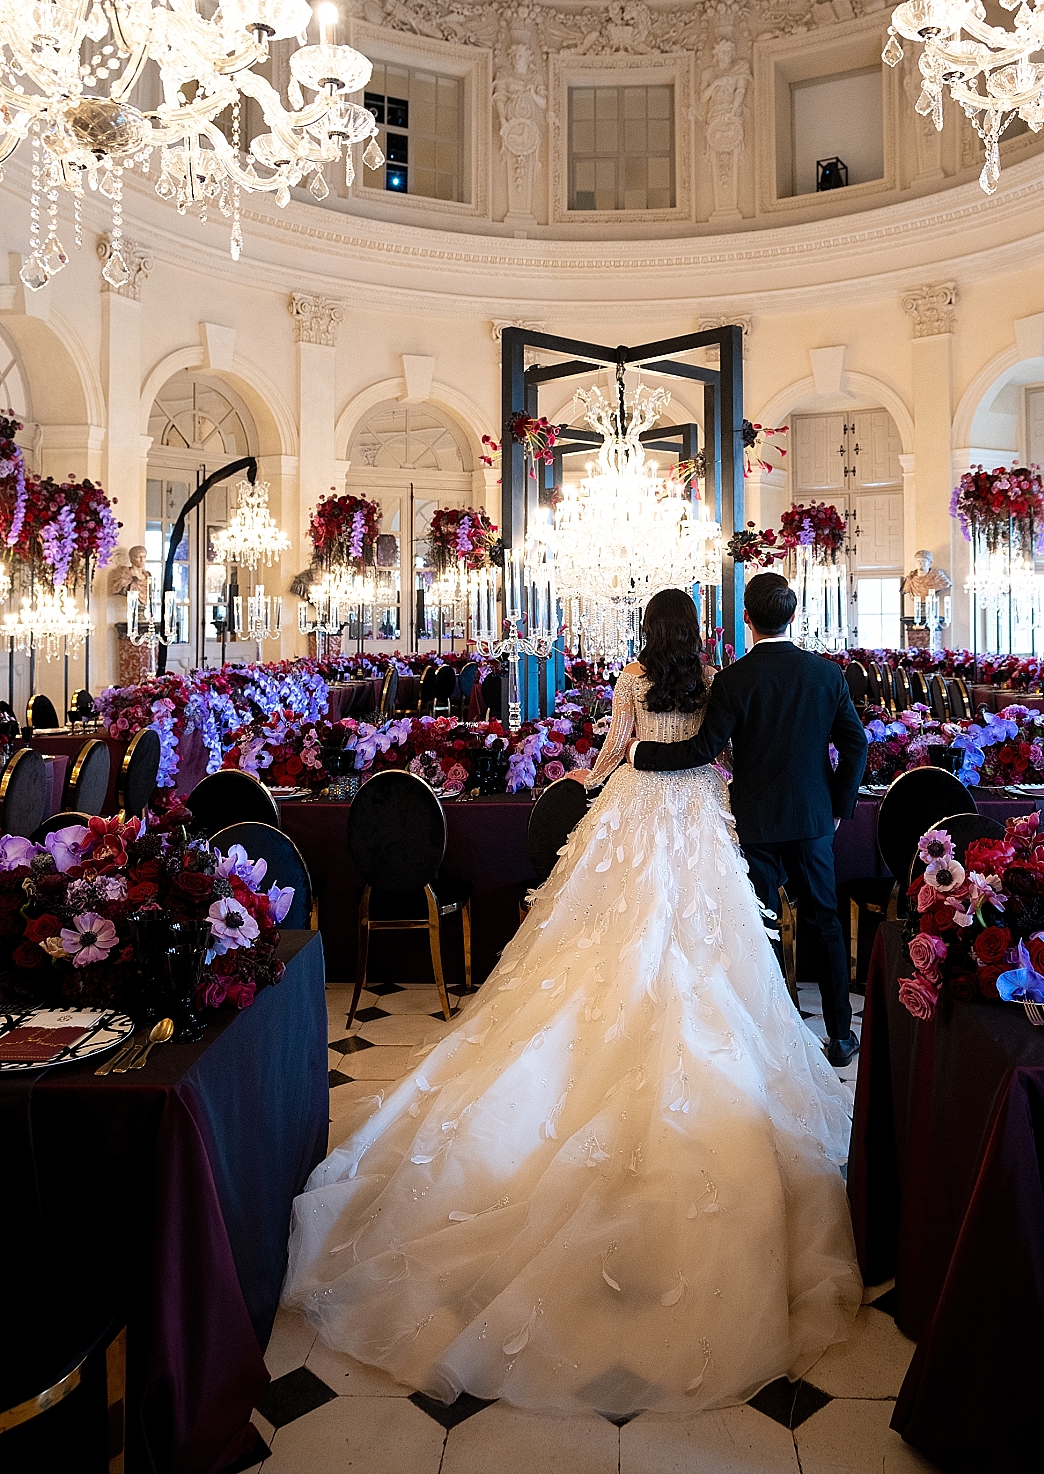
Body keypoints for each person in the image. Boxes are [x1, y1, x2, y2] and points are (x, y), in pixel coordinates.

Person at [284, 586, 861, 1415]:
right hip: (699, 816)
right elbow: (717, 752)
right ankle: (795, 1034)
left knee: (604, 940)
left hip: (638, 811)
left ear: (643, 632)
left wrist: (589, 782)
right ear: (694, 635)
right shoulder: (711, 678)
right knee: (716, 947)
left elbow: (617, 752)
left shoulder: (635, 678)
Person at [626, 571, 867, 1067]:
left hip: (754, 820)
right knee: (826, 921)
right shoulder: (826, 675)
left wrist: (639, 753)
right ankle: (841, 1035)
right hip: (812, 817)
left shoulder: (734, 679)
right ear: (793, 616)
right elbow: (856, 744)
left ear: (747, 619)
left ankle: (782, 1020)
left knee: (763, 924)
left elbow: (704, 750)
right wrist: (839, 807)